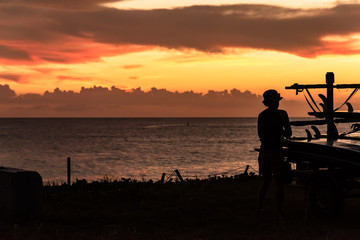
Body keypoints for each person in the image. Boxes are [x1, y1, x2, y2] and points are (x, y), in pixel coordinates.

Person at [256, 89, 292, 216]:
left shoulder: (261, 115)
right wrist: (280, 131)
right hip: (276, 151)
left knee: (265, 181)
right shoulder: (282, 114)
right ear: (276, 102)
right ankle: (279, 210)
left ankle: (259, 208)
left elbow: (260, 134)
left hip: (264, 151)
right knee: (279, 182)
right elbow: (288, 133)